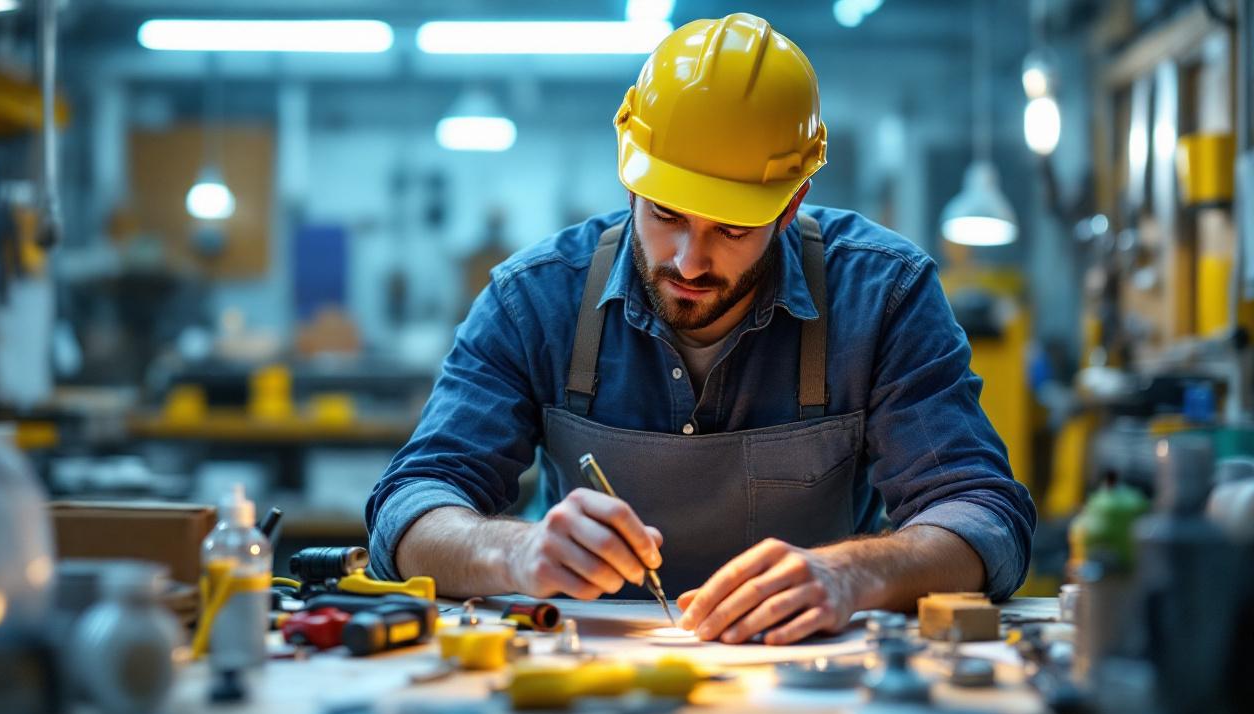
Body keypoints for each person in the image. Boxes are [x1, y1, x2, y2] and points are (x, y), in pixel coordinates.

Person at [364, 12, 1035, 645]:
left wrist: (854, 573)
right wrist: (516, 551)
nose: (689, 260)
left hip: (804, 681)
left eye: (732, 228)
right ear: (631, 177)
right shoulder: (534, 299)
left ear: (790, 202)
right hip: (590, 677)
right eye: (666, 215)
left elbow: (984, 518)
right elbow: (410, 507)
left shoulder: (882, 295)